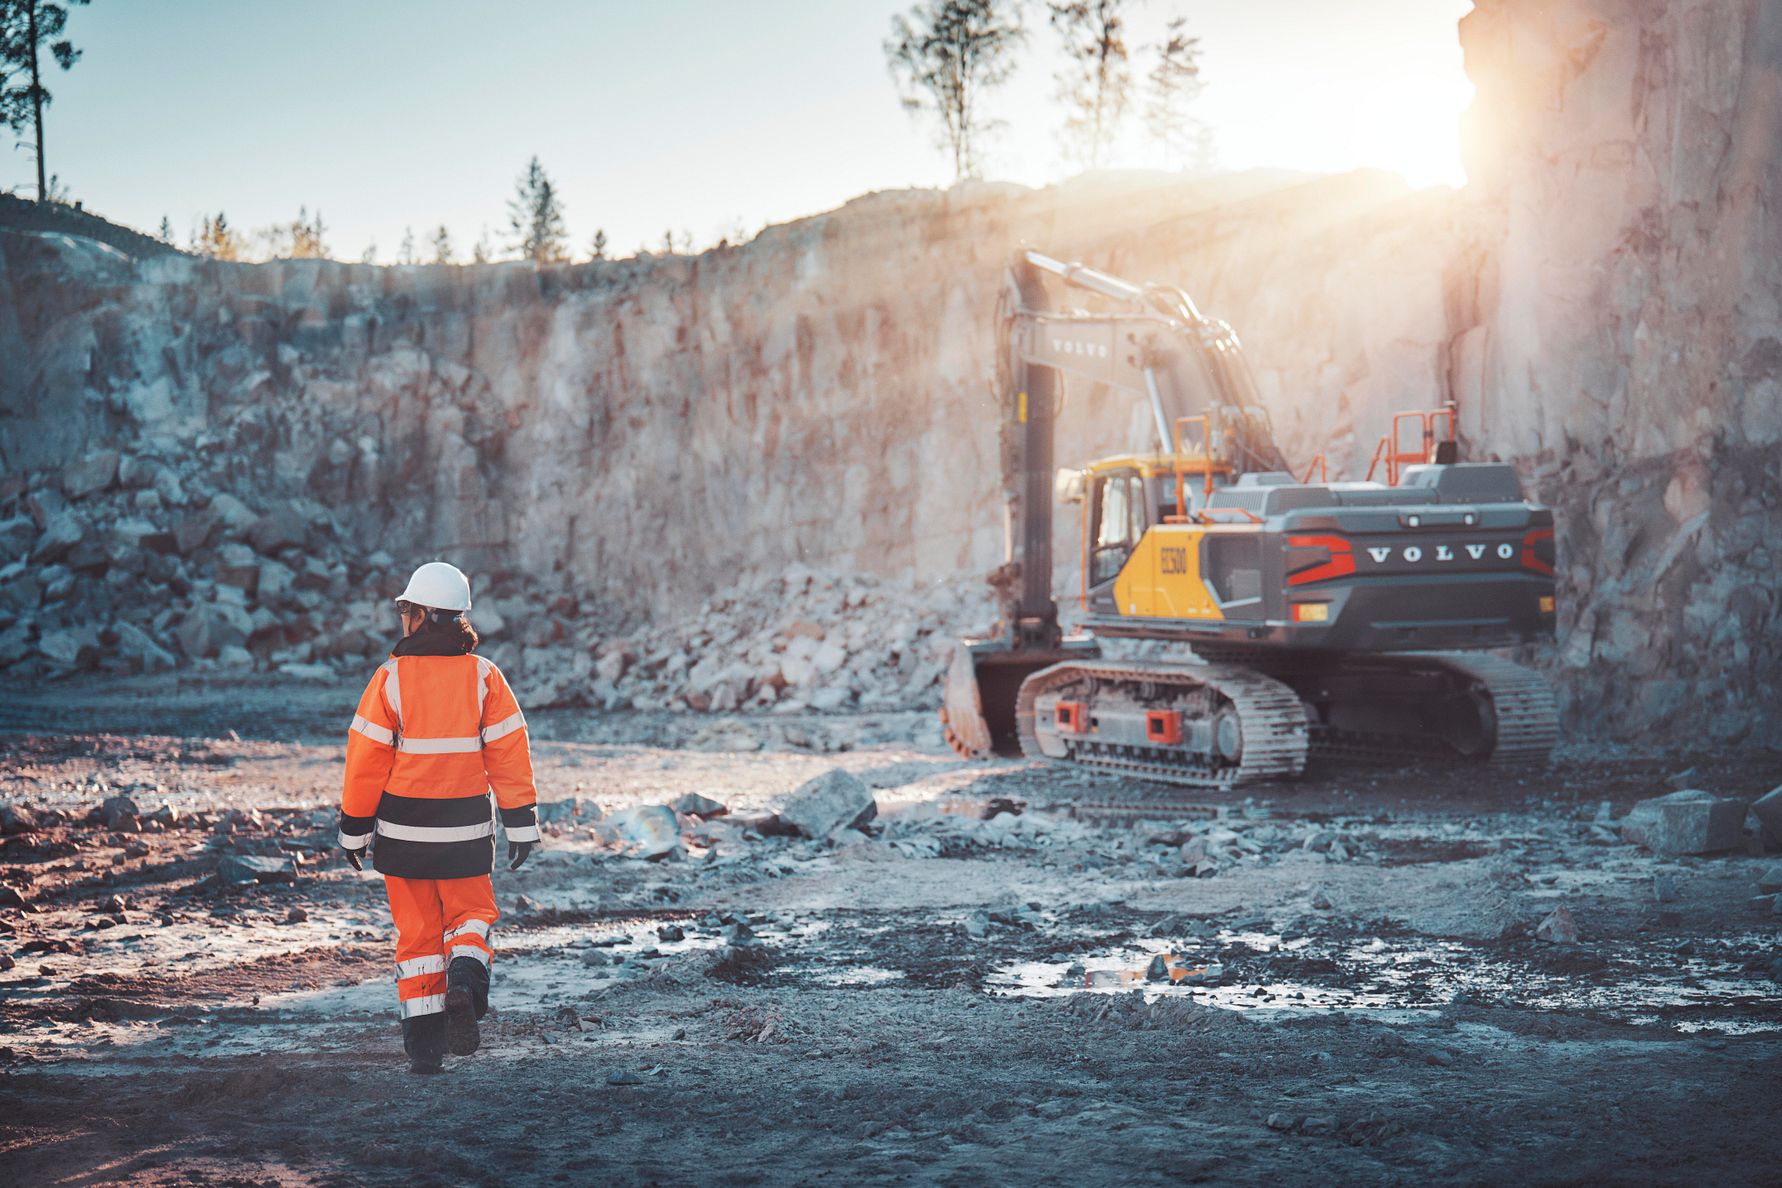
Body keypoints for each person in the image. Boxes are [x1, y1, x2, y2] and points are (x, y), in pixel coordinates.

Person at [337, 561, 540, 1074]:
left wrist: (354, 830)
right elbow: (509, 754)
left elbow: (366, 762)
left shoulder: (389, 679)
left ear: (424, 615)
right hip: (465, 833)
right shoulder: (484, 677)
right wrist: (520, 822)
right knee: (471, 917)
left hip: (402, 836)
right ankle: (465, 985)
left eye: (407, 609)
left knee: (418, 939)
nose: (403, 617)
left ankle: (425, 1050)